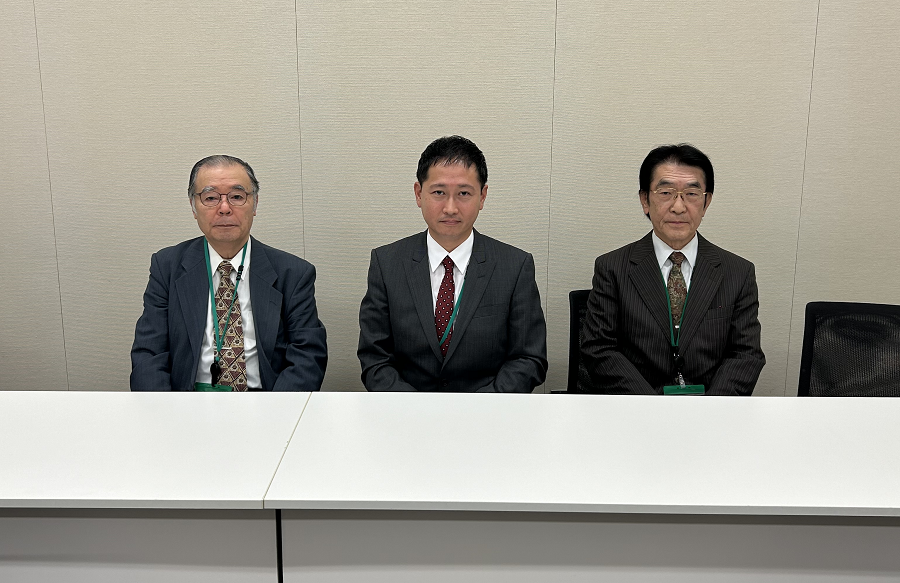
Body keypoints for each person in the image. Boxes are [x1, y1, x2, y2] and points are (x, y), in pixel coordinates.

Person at [358, 135, 547, 392]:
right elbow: (375, 358)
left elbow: (528, 358)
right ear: (418, 194)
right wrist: (414, 408)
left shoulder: (514, 266)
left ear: (482, 196)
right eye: (439, 192)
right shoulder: (387, 263)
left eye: (464, 193)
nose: (450, 208)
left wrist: (479, 407)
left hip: (488, 409)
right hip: (407, 410)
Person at [131, 155, 327, 391]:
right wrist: (169, 410)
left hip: (266, 402)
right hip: (187, 402)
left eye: (236, 197)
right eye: (210, 198)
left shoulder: (293, 273)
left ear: (254, 204)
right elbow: (149, 355)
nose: (224, 208)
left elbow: (307, 357)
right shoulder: (167, 266)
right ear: (193, 207)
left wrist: (275, 410)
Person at [580, 144, 764, 395]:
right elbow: (599, 349)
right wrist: (653, 408)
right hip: (637, 408)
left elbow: (745, 354)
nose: (678, 207)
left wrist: (711, 408)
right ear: (645, 200)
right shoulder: (612, 268)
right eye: (666, 192)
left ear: (706, 202)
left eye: (691, 194)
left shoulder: (738, 273)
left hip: (711, 409)